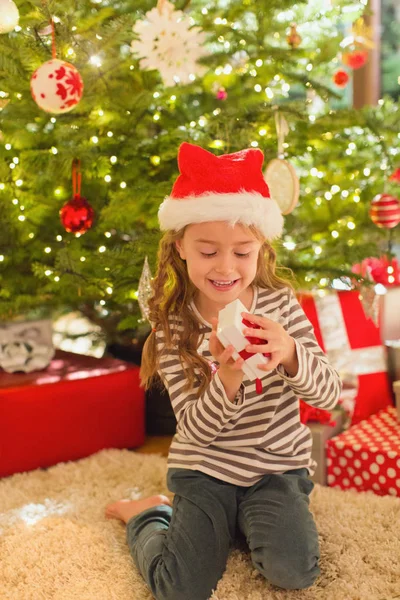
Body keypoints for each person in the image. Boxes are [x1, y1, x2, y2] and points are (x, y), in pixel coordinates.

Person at [105, 142, 342, 600]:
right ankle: (149, 514)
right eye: (208, 251)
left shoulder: (279, 306)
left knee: (293, 571)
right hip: (205, 468)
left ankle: (244, 521)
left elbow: (329, 394)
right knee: (180, 588)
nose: (226, 268)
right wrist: (228, 375)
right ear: (181, 247)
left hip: (276, 467)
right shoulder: (174, 325)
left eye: (242, 252)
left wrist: (291, 352)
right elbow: (193, 432)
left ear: (261, 249)